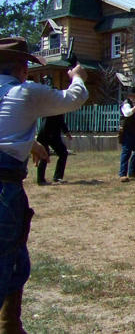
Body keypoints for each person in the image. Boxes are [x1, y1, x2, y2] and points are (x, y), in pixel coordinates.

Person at [0, 36, 88, 332]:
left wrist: (30, 142)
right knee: (6, 260)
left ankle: (9, 325)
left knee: (15, 259)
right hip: (4, 188)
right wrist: (77, 78)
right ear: (23, 69)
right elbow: (74, 99)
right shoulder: (24, 92)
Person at [35, 76, 73, 185]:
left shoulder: (59, 106)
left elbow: (61, 120)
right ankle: (40, 180)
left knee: (63, 153)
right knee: (44, 154)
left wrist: (66, 132)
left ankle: (57, 177)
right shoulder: (48, 105)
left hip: (54, 134)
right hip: (45, 133)